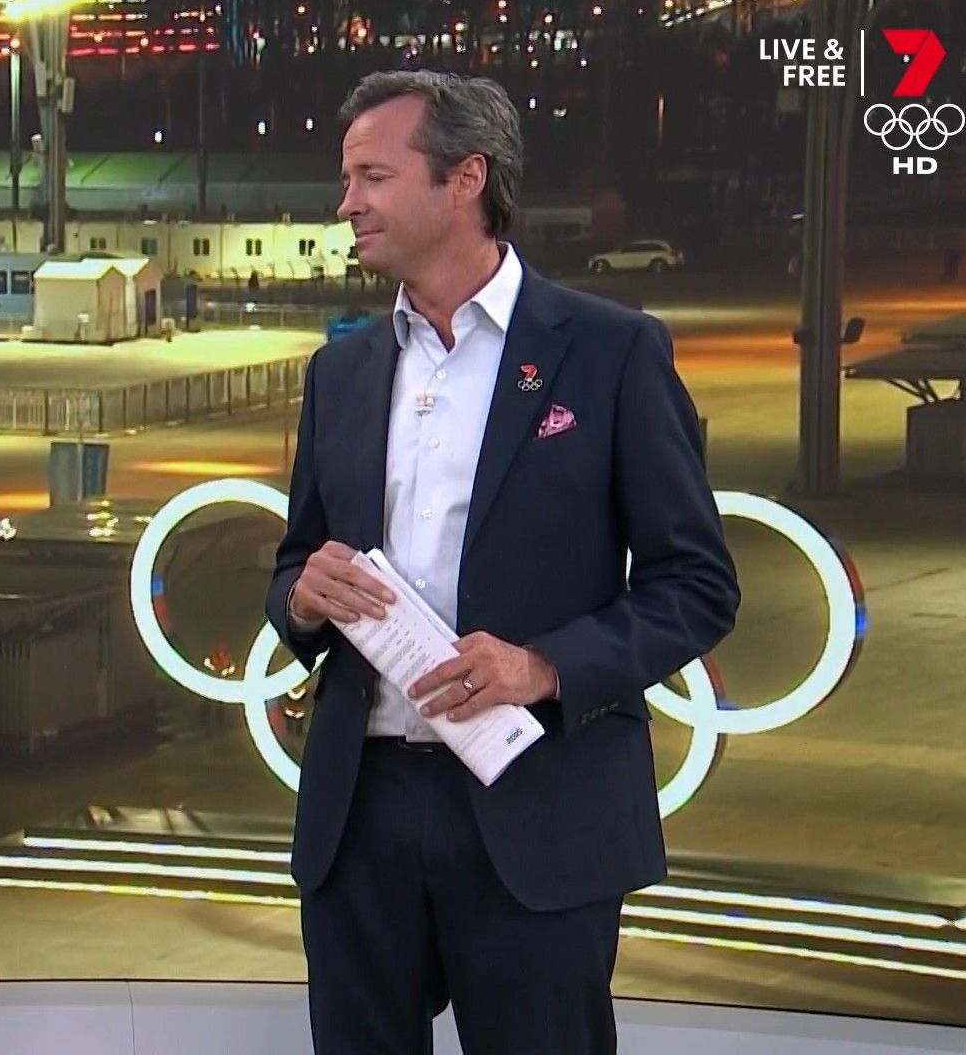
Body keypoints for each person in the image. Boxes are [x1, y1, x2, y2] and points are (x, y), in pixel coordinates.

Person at [265, 70, 739, 1054]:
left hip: (540, 811)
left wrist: (543, 666)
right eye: (348, 180)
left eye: (372, 177)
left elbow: (697, 586)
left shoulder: (610, 353)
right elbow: (292, 571)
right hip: (361, 817)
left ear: (466, 179)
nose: (347, 204)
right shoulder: (340, 372)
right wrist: (303, 600)